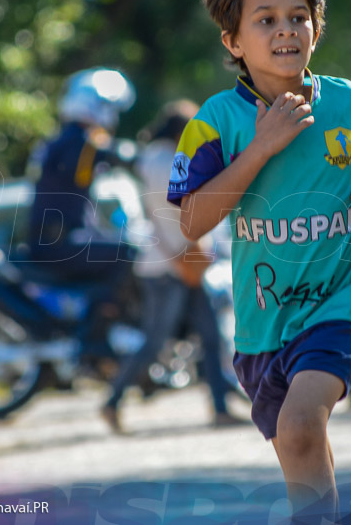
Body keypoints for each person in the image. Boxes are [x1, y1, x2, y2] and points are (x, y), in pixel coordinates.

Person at [168, 0, 351, 519]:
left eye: (298, 18)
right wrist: (261, 147)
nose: (286, 30)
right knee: (299, 448)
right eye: (266, 21)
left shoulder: (350, 102)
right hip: (264, 324)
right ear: (233, 42)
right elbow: (192, 220)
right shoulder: (214, 122)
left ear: (316, 27)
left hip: (341, 300)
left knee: (302, 423)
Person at [100, 100, 243, 432]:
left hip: (173, 259)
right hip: (172, 264)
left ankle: (221, 407)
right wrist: (194, 251)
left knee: (209, 336)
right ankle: (112, 400)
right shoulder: (169, 162)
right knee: (156, 340)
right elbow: (182, 212)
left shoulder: (151, 159)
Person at [27, 67, 137, 280]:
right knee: (128, 251)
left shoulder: (64, 139)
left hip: (59, 239)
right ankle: (107, 311)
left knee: (115, 241)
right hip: (59, 243)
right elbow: (110, 151)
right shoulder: (78, 141)